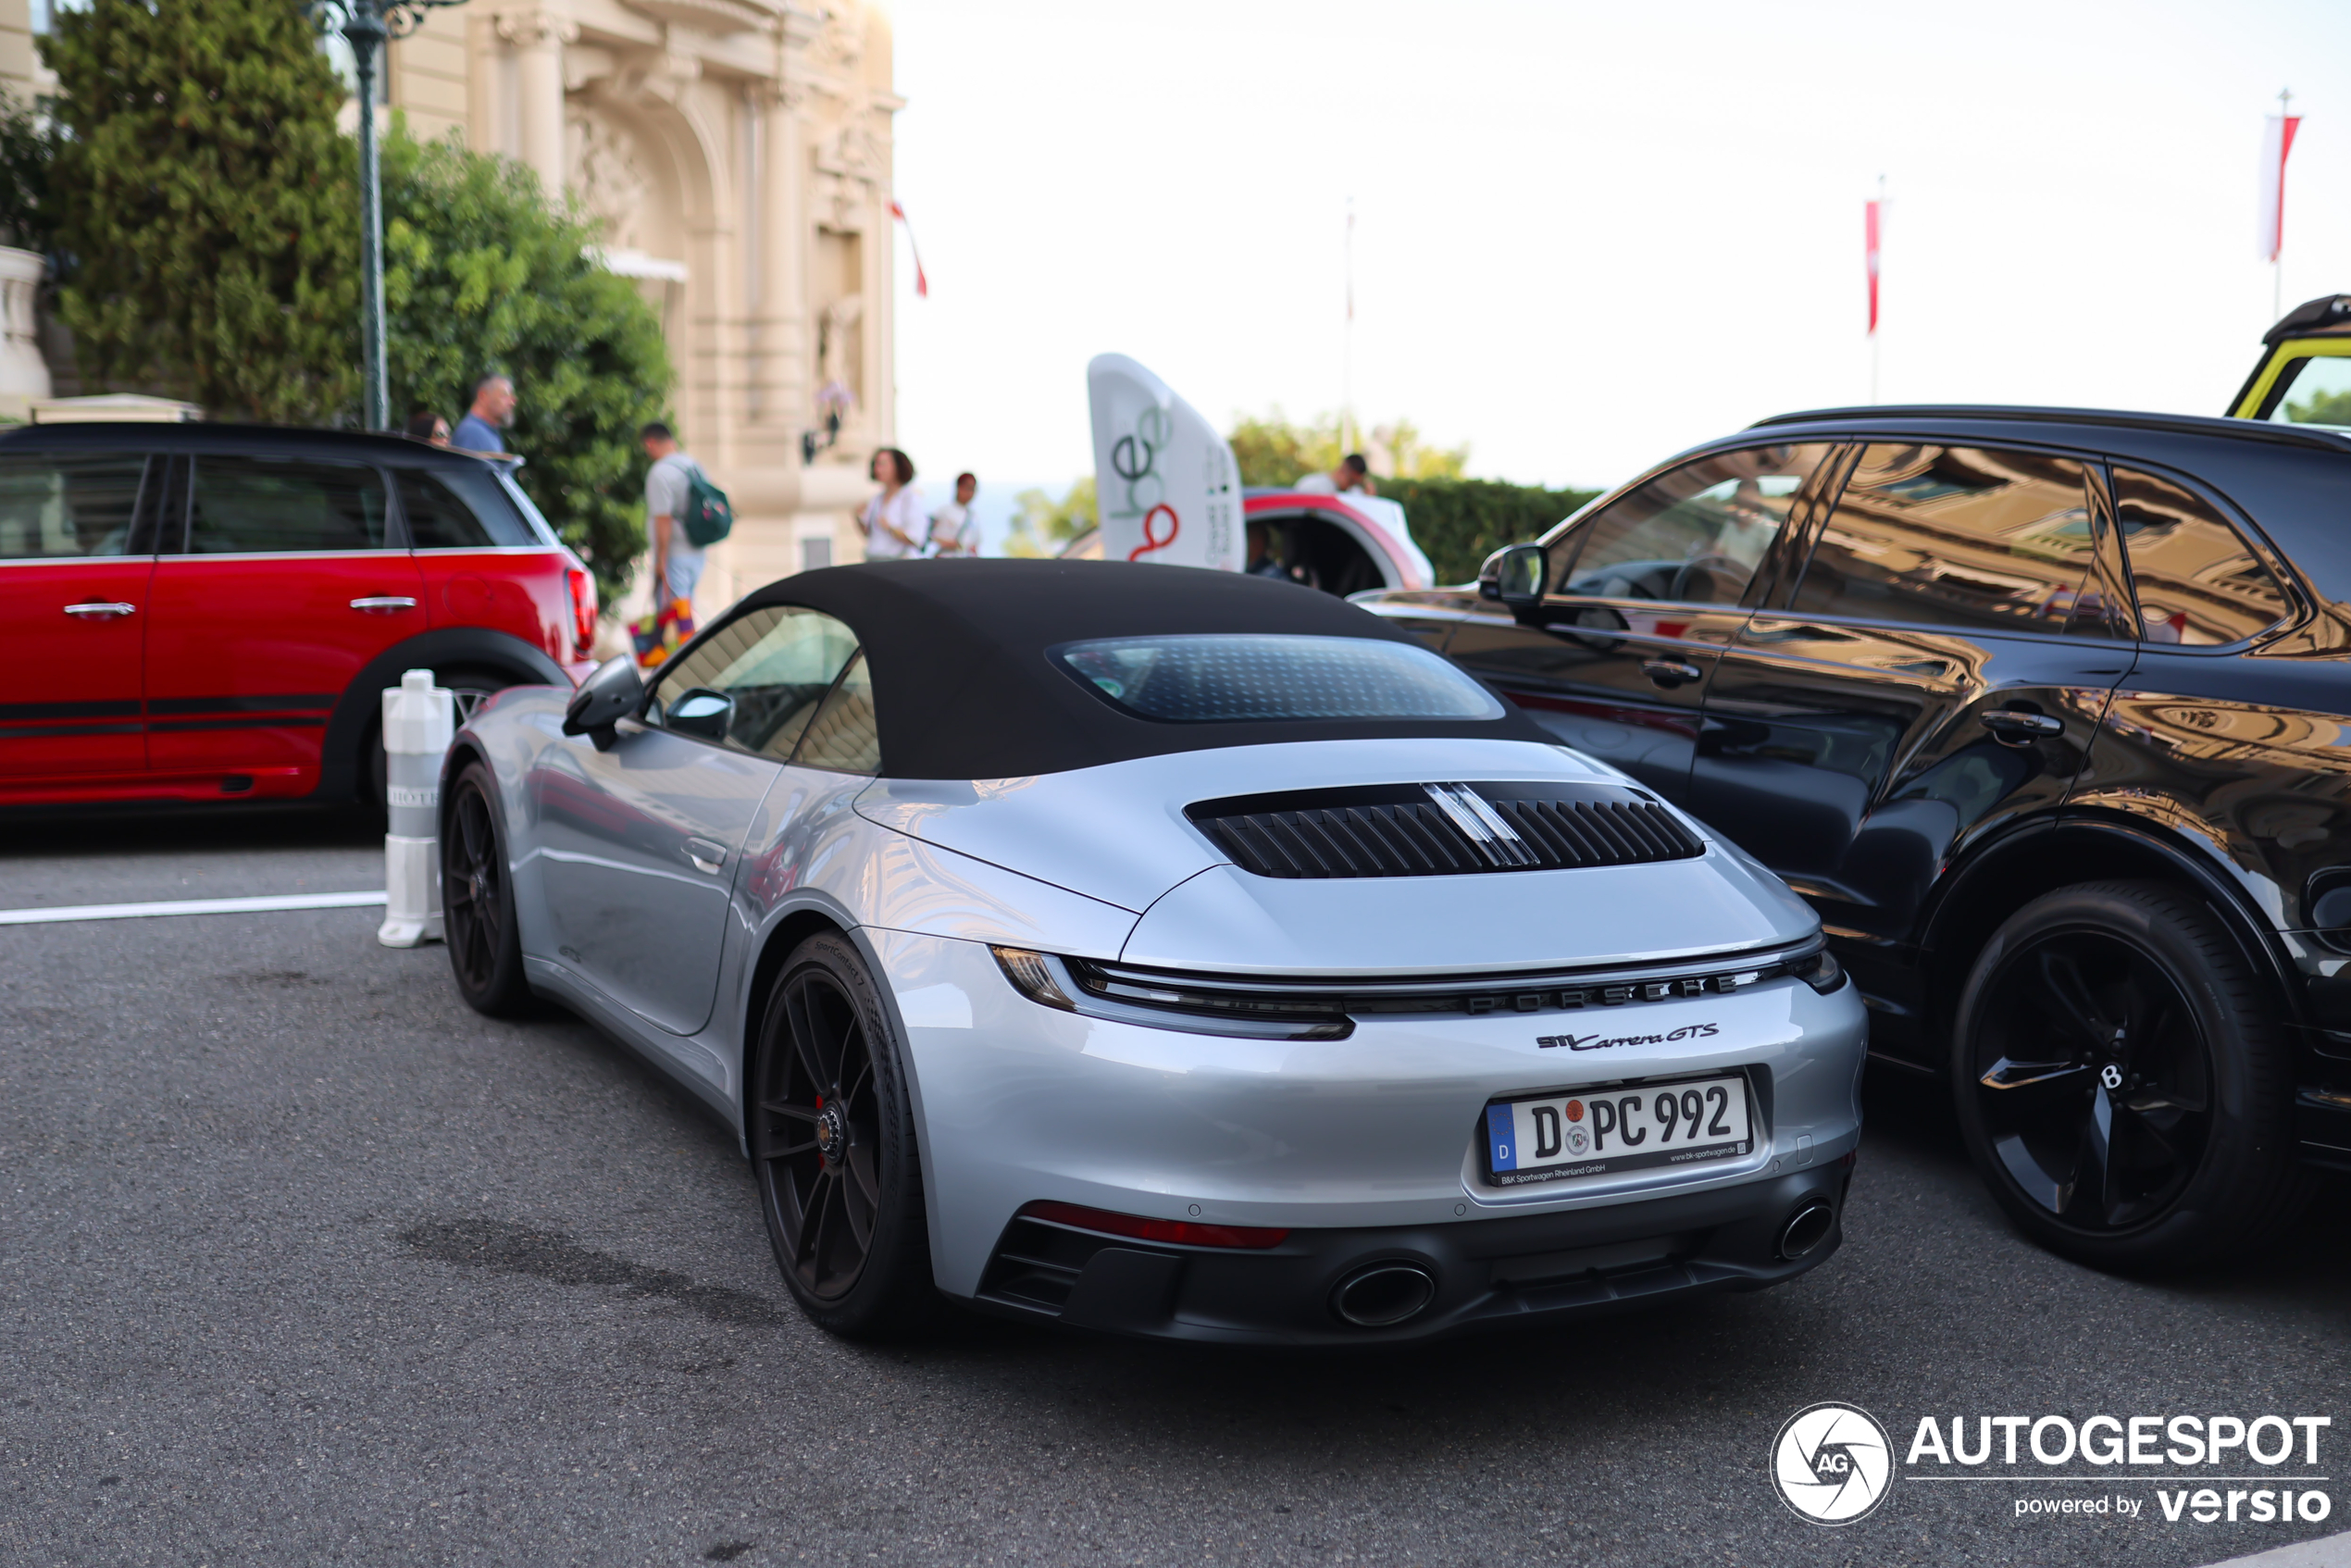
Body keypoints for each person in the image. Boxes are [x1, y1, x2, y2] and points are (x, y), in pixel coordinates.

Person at [857, 447, 925, 560]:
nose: (878, 469)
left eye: (882, 464)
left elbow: (916, 538)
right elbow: (870, 534)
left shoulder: (909, 498)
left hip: (897, 562)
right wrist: (858, 517)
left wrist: (890, 528)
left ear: (898, 467)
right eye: (876, 465)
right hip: (875, 559)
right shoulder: (876, 499)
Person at [451, 374, 515, 454]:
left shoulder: (489, 432)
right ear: (483, 396)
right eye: (505, 395)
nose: (512, 403)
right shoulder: (472, 432)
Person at [927, 472, 981, 557]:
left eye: (973, 489)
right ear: (959, 487)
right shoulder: (943, 511)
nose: (970, 493)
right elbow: (928, 536)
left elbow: (974, 546)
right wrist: (947, 544)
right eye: (968, 488)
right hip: (944, 560)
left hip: (964, 562)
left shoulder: (973, 517)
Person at [1294, 453, 1376, 497]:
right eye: (1351, 481)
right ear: (1343, 471)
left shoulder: (1351, 492)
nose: (1350, 486)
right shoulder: (1312, 486)